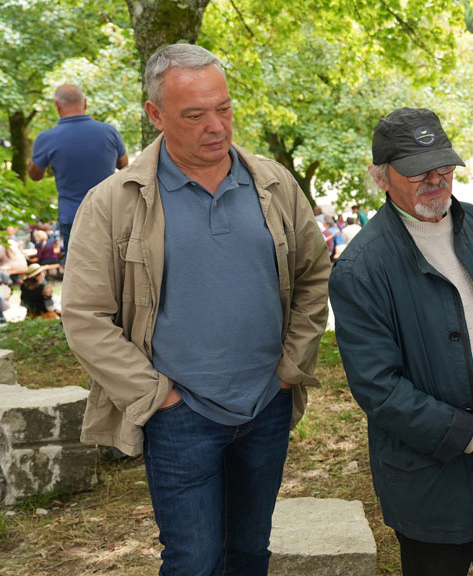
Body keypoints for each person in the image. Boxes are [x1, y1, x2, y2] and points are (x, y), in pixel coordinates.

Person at [61, 43, 331, 575]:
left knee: (250, 553)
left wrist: (289, 370)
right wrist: (156, 397)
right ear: (155, 115)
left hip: (266, 405)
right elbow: (85, 317)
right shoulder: (113, 201)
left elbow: (313, 275)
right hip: (179, 417)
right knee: (194, 561)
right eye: (195, 114)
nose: (217, 126)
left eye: (224, 108)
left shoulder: (273, 184)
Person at [328, 107, 473, 576]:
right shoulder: (361, 267)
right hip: (431, 483)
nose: (436, 180)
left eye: (445, 167)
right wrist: (469, 435)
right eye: (418, 172)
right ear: (380, 178)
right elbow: (377, 387)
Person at [28, 84, 129, 257]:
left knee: (78, 271)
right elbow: (124, 165)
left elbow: (34, 175)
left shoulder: (47, 138)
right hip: (109, 213)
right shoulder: (109, 132)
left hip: (72, 216)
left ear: (57, 105)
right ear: (85, 103)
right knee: (112, 266)